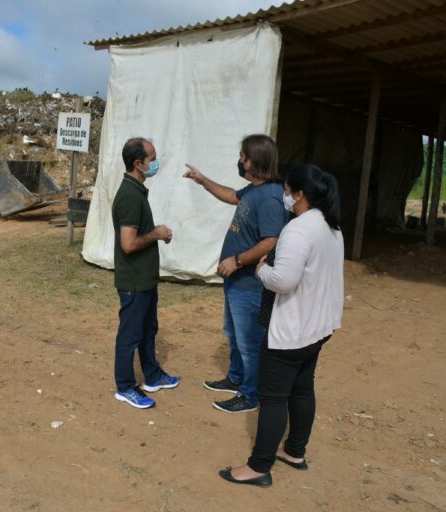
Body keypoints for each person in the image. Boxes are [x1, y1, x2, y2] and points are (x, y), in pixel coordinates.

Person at [219, 164, 345, 487]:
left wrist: (261, 270)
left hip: (293, 329)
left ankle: (259, 466)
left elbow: (283, 281)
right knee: (302, 388)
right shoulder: (331, 226)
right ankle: (294, 451)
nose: (284, 197)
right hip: (319, 326)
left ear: (300, 194)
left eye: (287, 191)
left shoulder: (298, 229)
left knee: (273, 396)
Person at [184, 134, 286, 414]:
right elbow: (231, 195)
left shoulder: (270, 197)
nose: (240, 161)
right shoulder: (254, 190)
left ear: (255, 161)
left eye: (243, 156)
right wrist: (202, 180)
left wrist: (238, 261)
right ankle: (236, 377)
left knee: (249, 340)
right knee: (233, 332)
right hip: (236, 281)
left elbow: (271, 241)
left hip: (249, 282)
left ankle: (250, 395)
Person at [112, 137, 180, 409]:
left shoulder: (137, 190)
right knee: (130, 335)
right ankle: (125, 387)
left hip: (145, 278)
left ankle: (152, 376)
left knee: (148, 329)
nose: (156, 162)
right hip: (134, 281)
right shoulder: (129, 196)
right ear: (138, 164)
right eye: (152, 158)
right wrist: (157, 234)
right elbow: (128, 244)